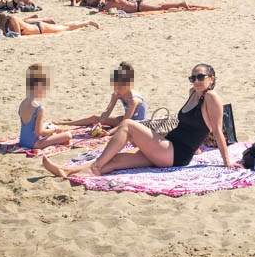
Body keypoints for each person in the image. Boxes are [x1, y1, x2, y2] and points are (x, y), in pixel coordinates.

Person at [42, 63, 241, 178]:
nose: (196, 81)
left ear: (211, 79)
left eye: (200, 77)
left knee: (128, 125)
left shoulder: (211, 98)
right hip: (168, 146)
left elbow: (216, 130)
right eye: (193, 78)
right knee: (117, 161)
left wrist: (227, 162)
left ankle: (94, 166)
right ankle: (69, 171)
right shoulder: (193, 93)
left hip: (175, 153)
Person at [61, 62, 147, 130]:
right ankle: (65, 123)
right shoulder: (117, 94)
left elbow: (125, 121)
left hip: (137, 124)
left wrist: (110, 133)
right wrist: (100, 122)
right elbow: (108, 110)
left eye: (120, 88)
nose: (117, 91)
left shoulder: (134, 100)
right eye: (115, 88)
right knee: (95, 118)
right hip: (126, 120)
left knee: (121, 129)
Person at [18, 64, 75, 150]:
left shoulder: (23, 103)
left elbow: (29, 126)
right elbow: (39, 132)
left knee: (47, 123)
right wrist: (55, 129)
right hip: (35, 144)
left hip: (22, 141)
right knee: (68, 135)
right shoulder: (39, 108)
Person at [0, 11, 99, 36]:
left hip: (41, 29)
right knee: (63, 26)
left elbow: (16, 35)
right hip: (38, 27)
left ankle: (87, 22)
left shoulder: (12, 19)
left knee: (66, 28)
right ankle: (83, 22)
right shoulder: (8, 22)